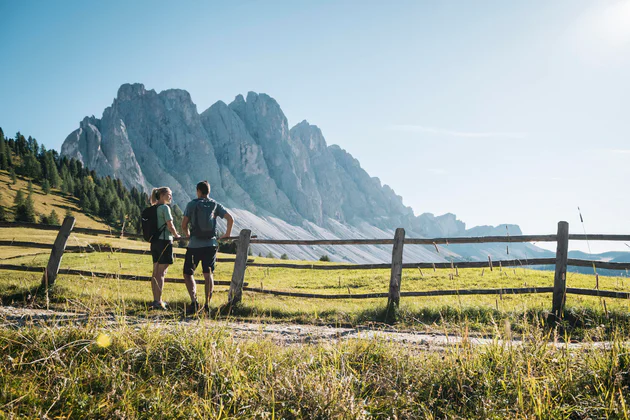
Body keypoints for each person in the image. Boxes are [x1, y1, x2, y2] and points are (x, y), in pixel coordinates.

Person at [181, 180, 234, 314]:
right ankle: (207, 305)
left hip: (194, 245)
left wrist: (188, 236)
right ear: (208, 191)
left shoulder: (192, 204)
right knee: (208, 274)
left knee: (188, 273)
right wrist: (227, 234)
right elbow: (230, 218)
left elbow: (184, 225)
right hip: (210, 245)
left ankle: (194, 302)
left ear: (198, 191)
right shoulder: (215, 204)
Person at [150, 187, 180, 310]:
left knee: (155, 271)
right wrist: (177, 235)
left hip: (155, 242)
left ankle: (155, 300)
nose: (170, 197)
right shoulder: (165, 208)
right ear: (162, 195)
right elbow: (170, 225)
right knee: (161, 273)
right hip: (165, 241)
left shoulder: (153, 208)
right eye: (169, 194)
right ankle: (159, 301)